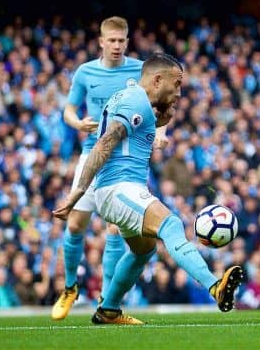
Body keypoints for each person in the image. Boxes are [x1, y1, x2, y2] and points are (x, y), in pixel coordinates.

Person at [53, 53, 243, 324]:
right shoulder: (134, 101)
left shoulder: (136, 99)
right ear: (157, 79)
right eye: (176, 84)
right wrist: (78, 192)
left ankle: (108, 309)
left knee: (144, 250)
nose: (179, 91)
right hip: (118, 188)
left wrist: (165, 113)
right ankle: (215, 286)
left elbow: (147, 124)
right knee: (172, 225)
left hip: (123, 188)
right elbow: (104, 144)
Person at [52, 16, 169, 321]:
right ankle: (69, 288)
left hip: (124, 160)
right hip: (93, 154)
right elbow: (68, 109)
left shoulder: (140, 71)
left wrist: (161, 131)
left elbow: (161, 106)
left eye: (122, 40)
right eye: (112, 41)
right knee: (75, 224)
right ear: (101, 42)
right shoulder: (85, 72)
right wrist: (77, 123)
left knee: (115, 227)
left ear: (127, 42)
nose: (117, 46)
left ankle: (106, 300)